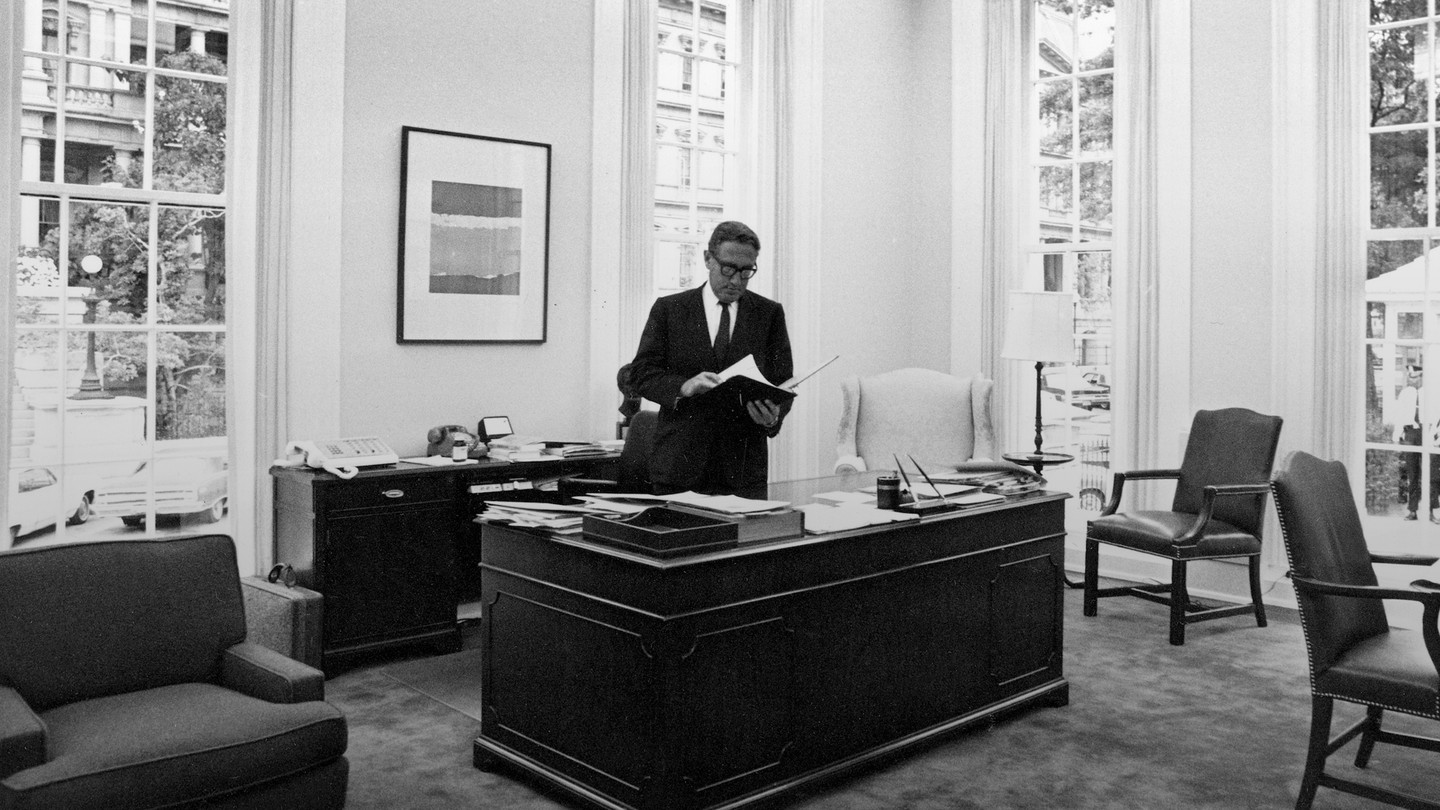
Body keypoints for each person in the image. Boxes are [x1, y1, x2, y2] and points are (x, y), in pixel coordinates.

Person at [627, 221, 793, 494]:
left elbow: (783, 381)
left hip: (742, 473)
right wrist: (683, 386)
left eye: (746, 271)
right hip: (678, 469)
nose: (736, 280)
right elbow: (641, 373)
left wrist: (773, 418)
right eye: (728, 268)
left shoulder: (769, 314)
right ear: (707, 259)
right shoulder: (670, 309)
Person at [1392, 363, 1438, 523]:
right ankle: (1413, 511)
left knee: (1430, 475)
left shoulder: (1431, 393)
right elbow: (1399, 415)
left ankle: (1431, 511)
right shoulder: (1405, 394)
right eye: (1411, 377)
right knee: (1413, 474)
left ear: (1422, 377)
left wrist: (1435, 437)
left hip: (1427, 432)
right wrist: (1397, 436)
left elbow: (1437, 416)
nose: (1413, 381)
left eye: (1416, 377)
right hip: (1411, 432)